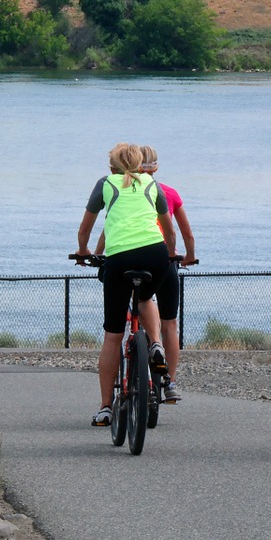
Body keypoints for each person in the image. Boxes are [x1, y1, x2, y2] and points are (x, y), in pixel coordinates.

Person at [75, 143, 177, 427]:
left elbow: (85, 229)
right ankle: (155, 345)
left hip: (119, 258)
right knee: (145, 298)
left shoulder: (105, 184)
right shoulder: (152, 184)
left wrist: (83, 252)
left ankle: (106, 407)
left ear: (112, 166)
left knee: (112, 335)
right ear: (140, 165)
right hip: (156, 254)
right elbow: (169, 231)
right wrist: (170, 254)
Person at [94, 145, 197, 403]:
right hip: (163, 259)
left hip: (123, 256)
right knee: (169, 324)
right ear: (154, 167)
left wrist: (95, 253)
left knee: (132, 308)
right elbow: (184, 233)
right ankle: (169, 381)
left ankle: (108, 402)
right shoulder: (165, 191)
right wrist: (187, 255)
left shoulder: (118, 189)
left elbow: (110, 229)